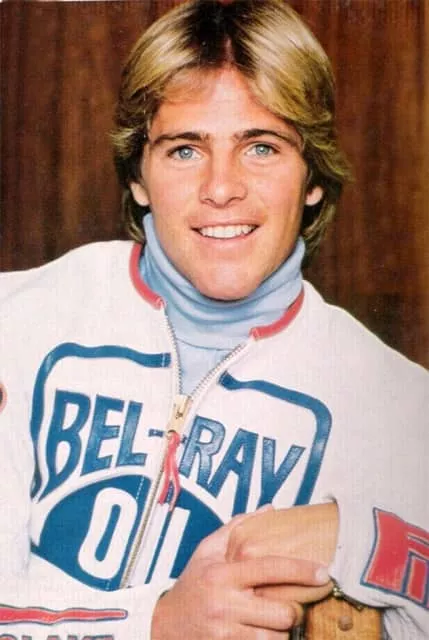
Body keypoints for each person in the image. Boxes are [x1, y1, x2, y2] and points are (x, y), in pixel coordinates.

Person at [0, 0, 428, 638]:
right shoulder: (18, 322)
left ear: (312, 176)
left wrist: (354, 537)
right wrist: (154, 623)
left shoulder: (396, 404)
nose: (221, 188)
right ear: (138, 175)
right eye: (184, 150)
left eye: (261, 147)